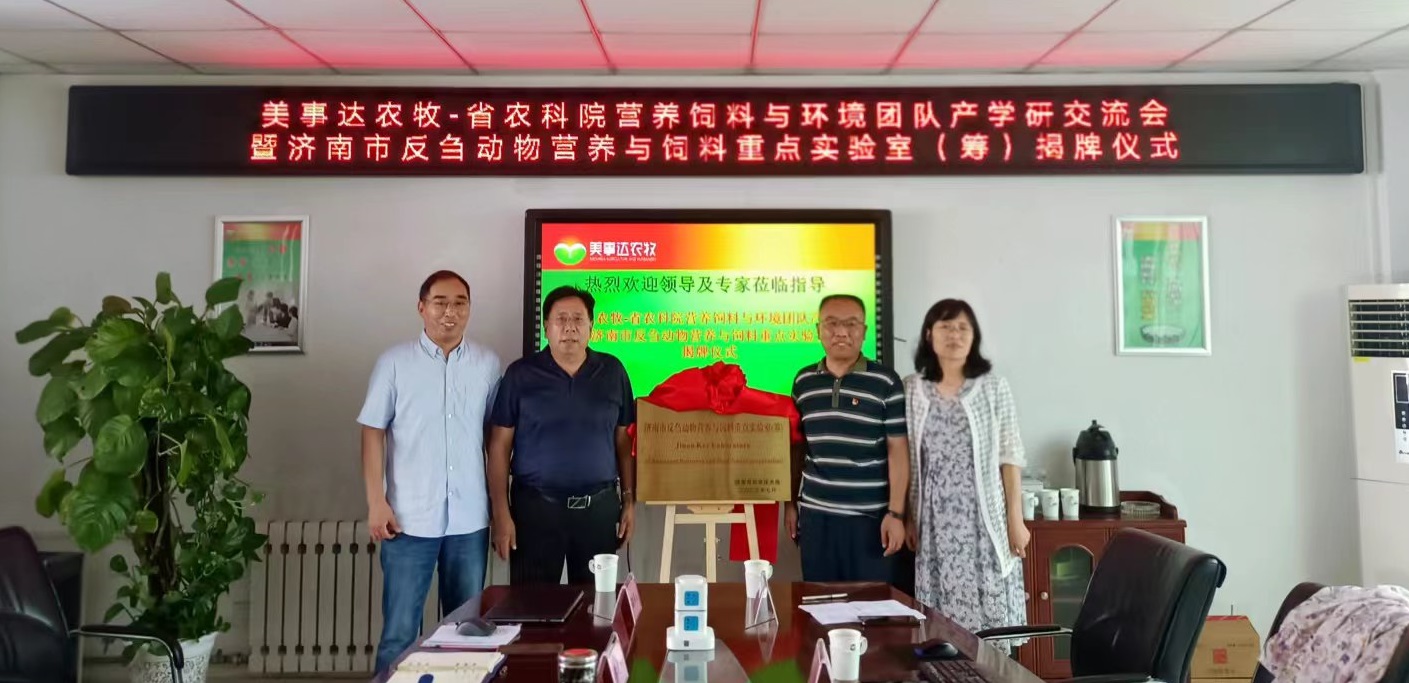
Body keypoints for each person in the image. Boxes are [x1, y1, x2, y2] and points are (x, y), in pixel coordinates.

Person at [356, 270, 501, 674]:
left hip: (469, 520)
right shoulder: (394, 363)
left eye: (459, 303)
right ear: (421, 307)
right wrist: (376, 501)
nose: (450, 312)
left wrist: (499, 508)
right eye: (440, 302)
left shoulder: (488, 364)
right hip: (407, 520)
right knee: (400, 633)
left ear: (469, 309)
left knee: (465, 632)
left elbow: (495, 440)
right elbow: (372, 433)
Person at [487, 285, 636, 585]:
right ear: (546, 327)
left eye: (578, 319)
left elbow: (623, 441)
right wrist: (501, 513)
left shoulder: (613, 371)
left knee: (596, 604)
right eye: (561, 319)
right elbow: (499, 446)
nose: (570, 327)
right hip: (535, 511)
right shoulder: (520, 374)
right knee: (532, 605)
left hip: (598, 510)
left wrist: (629, 500)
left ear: (591, 325)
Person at [903, 299, 1028, 642]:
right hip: (934, 521)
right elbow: (909, 458)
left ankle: (988, 669)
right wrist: (909, 516)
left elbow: (1010, 456)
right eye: (945, 327)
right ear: (929, 335)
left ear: (974, 337)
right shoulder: (912, 388)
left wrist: (1015, 520)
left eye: (962, 328)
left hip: (983, 520)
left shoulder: (993, 387)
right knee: (939, 622)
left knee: (988, 625)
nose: (954, 335)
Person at [785, 294, 909, 582]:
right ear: (818, 330)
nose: (841, 332)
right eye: (831, 323)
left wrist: (896, 514)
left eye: (851, 324)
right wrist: (789, 504)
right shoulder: (803, 382)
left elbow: (898, 451)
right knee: (819, 601)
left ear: (864, 331)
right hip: (816, 518)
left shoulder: (886, 382)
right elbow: (797, 449)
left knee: (872, 603)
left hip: (870, 520)